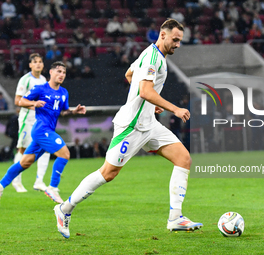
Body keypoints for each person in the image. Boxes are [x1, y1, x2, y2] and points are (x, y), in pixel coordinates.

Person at [53, 19, 203, 239]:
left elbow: (129, 74)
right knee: (108, 173)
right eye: (175, 39)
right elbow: (144, 91)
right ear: (163, 35)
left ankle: (175, 218)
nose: (178, 45)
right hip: (131, 126)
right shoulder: (152, 58)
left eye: (180, 40)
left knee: (183, 159)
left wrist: (152, 104)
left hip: (149, 124)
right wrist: (172, 108)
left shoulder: (150, 55)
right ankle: (64, 208)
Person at [0, 61, 86, 203]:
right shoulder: (40, 89)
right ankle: (52, 188)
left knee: (25, 162)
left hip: (48, 130)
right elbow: (21, 101)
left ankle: (1, 185)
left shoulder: (64, 92)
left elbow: (62, 112)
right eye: (58, 71)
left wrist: (73, 111)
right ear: (51, 72)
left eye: (64, 72)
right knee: (65, 154)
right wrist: (34, 103)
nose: (61, 75)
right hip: (41, 130)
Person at [11, 53, 49, 192]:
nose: (38, 64)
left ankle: (39, 181)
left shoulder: (44, 79)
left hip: (40, 120)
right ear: (30, 65)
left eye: (40, 61)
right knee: (23, 149)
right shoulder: (25, 80)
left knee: (45, 148)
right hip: (27, 119)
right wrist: (33, 105)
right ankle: (17, 181)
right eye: (35, 62)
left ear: (43, 64)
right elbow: (17, 101)